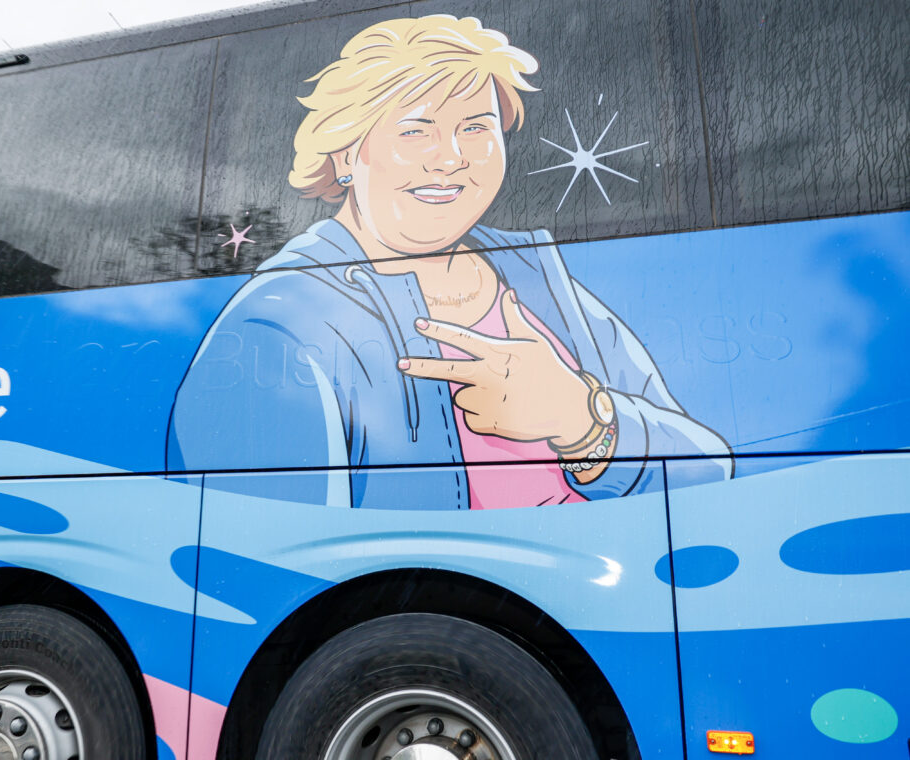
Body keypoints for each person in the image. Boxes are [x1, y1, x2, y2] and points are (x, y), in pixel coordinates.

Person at [167, 14, 731, 508]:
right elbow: (277, 554)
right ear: (344, 155)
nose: (452, 159)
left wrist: (582, 422)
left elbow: (710, 470)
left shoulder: (533, 274)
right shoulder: (280, 320)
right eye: (416, 131)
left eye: (476, 128)